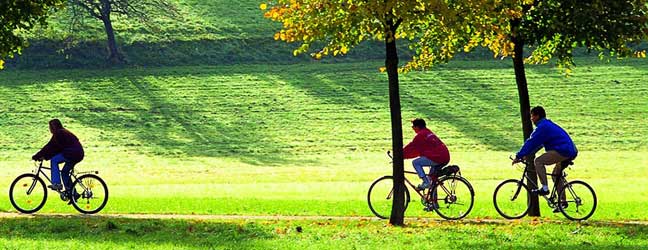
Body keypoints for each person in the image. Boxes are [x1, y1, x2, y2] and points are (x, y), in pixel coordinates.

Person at [512, 106, 578, 212]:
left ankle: (544, 188)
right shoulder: (546, 125)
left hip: (563, 150)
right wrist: (526, 154)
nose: (531, 119)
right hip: (569, 150)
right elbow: (539, 145)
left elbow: (531, 142)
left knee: (538, 161)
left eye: (532, 116)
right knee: (556, 175)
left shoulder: (542, 127)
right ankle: (562, 203)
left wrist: (518, 156)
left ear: (537, 116)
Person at [32, 119, 84, 200]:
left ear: (54, 127)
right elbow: (51, 147)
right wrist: (42, 155)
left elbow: (52, 147)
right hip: (77, 153)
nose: (49, 129)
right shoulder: (61, 132)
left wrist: (40, 156)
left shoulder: (59, 133)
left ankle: (57, 183)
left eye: (50, 127)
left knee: (54, 160)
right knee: (64, 172)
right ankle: (73, 193)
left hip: (72, 153)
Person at [403, 118, 450, 191]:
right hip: (444, 156)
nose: (412, 128)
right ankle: (433, 201)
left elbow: (412, 147)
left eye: (413, 127)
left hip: (438, 157)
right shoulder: (428, 132)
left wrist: (400, 154)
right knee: (432, 179)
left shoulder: (421, 135)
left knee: (416, 163)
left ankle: (425, 182)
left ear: (417, 127)